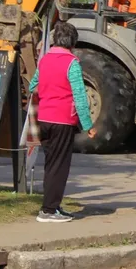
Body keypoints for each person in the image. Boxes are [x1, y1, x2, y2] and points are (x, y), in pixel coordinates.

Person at [28, 22, 97, 223]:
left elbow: (33, 86)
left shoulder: (45, 60)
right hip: (63, 120)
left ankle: (53, 206)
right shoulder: (71, 63)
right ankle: (48, 210)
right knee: (59, 167)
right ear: (73, 42)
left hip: (44, 119)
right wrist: (88, 125)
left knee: (51, 165)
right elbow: (80, 96)